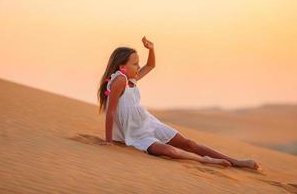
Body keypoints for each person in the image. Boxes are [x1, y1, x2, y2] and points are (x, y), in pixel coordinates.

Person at [97, 36, 259, 169]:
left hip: (148, 122)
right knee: (169, 150)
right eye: (135, 63)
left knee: (189, 143)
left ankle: (236, 161)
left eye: (138, 62)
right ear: (122, 66)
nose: (139, 66)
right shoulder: (119, 80)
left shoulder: (131, 78)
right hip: (135, 133)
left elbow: (151, 65)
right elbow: (111, 112)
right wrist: (109, 141)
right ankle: (206, 160)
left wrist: (152, 49)